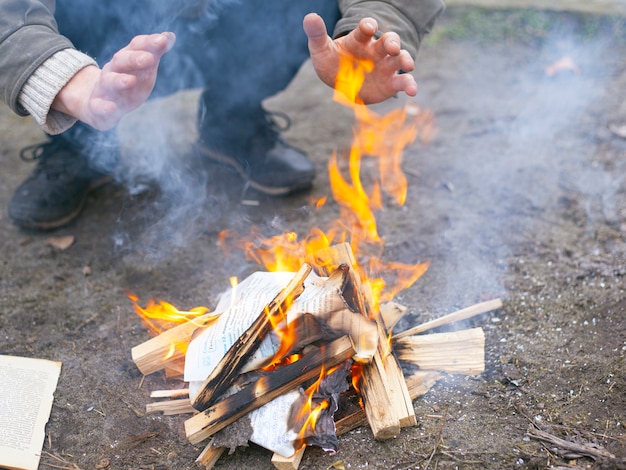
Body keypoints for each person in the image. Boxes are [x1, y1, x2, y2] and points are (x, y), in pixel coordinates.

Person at [1, 0, 444, 230]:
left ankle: (232, 119)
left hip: (236, 26)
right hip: (103, 38)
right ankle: (81, 141)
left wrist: (377, 22)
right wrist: (62, 78)